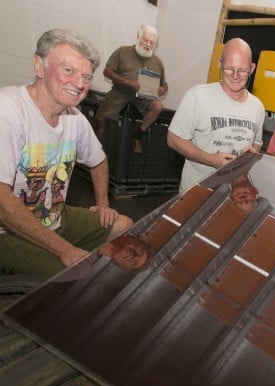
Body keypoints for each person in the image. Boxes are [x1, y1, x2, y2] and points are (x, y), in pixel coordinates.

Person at [0, 28, 133, 277]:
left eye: (86, 76)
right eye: (68, 71)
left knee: (123, 226)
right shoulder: (7, 111)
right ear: (39, 67)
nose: (80, 84)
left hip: (53, 216)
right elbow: (3, 205)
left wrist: (102, 204)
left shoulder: (75, 119)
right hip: (7, 231)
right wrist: (64, 250)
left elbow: (99, 160)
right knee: (76, 277)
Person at [168, 38, 265, 193]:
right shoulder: (197, 96)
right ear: (220, 63)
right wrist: (210, 159)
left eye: (242, 70)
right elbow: (173, 139)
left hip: (234, 196)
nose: (235, 75)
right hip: (196, 194)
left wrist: (251, 154)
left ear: (252, 68)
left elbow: (257, 143)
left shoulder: (258, 107)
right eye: (229, 68)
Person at [94, 25, 169, 153]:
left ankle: (138, 136)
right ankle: (94, 151)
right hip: (120, 91)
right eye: (145, 40)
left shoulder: (158, 62)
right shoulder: (122, 51)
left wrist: (162, 89)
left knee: (158, 106)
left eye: (152, 43)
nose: (148, 44)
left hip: (144, 97)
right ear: (138, 37)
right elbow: (107, 71)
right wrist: (126, 81)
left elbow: (165, 85)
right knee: (100, 119)